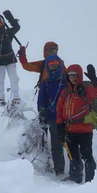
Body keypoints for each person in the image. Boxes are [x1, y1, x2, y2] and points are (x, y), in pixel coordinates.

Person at [18, 42, 66, 175]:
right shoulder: (55, 64)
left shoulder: (53, 64)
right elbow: (26, 66)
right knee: (55, 142)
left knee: (56, 142)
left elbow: (27, 66)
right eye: (51, 50)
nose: (53, 53)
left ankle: (57, 168)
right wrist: (22, 55)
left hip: (54, 112)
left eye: (55, 50)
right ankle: (56, 168)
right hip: (49, 109)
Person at [56, 64, 97, 183]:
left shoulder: (87, 88)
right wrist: (60, 126)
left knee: (87, 156)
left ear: (79, 75)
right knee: (72, 156)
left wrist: (94, 79)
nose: (72, 78)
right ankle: (75, 177)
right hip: (70, 130)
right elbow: (59, 109)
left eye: (74, 75)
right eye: (69, 75)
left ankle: (91, 181)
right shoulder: (66, 91)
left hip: (85, 131)